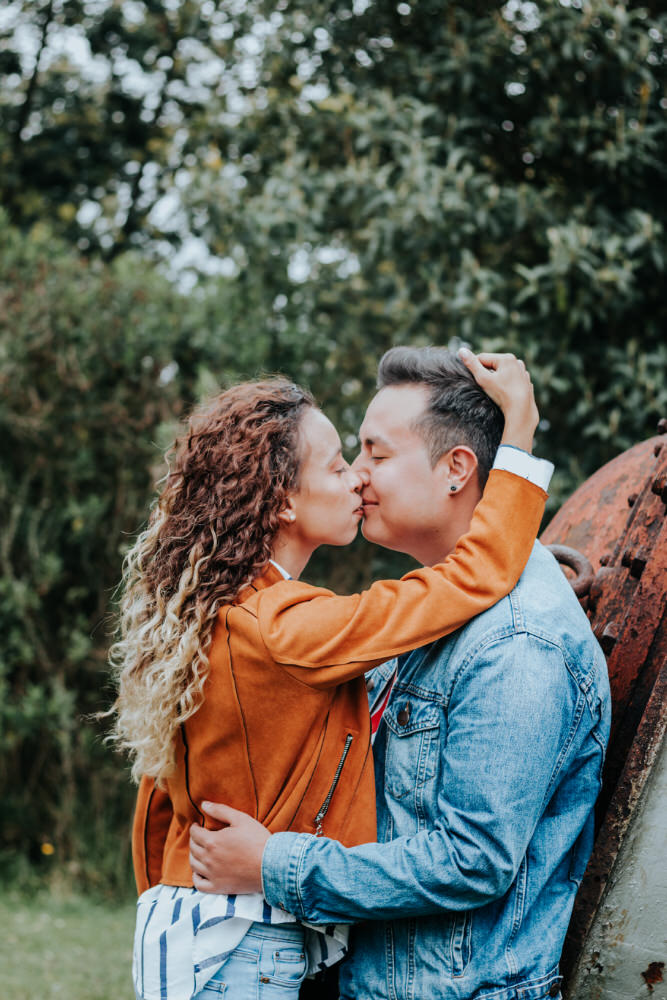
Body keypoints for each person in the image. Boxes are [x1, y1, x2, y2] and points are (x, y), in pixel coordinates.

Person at [112, 350, 550, 1000]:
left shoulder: (223, 612)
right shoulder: (285, 626)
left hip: (194, 930)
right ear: (283, 501)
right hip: (238, 940)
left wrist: (165, 898)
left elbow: (156, 801)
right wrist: (518, 437)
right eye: (340, 463)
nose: (357, 480)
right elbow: (471, 577)